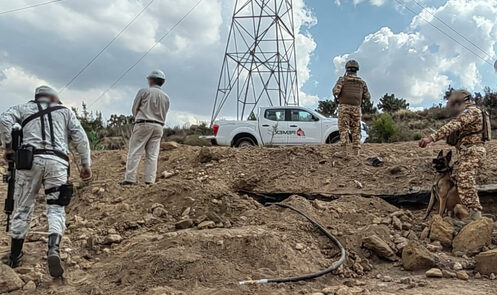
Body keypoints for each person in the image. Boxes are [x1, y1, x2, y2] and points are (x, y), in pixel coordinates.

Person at [0, 86, 92, 277]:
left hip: (28, 161)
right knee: (56, 208)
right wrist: (85, 164)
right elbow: (81, 137)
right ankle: (53, 249)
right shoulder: (65, 112)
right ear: (52, 97)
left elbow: (3, 119)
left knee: (23, 207)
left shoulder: (22, 108)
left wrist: (8, 147)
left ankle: (15, 255)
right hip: (58, 163)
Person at [419, 89, 487, 221]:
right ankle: (458, 212)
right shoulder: (473, 112)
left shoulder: (472, 111)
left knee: (465, 179)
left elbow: (453, 125)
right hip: (467, 152)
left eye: (457, 103)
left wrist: (431, 138)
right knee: (456, 176)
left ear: (464, 100)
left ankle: (475, 216)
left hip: (473, 151)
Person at [121, 70, 170, 185]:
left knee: (135, 151)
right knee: (152, 155)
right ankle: (149, 180)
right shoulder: (166, 97)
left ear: (151, 80)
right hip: (159, 126)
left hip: (143, 123)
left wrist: (138, 118)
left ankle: (130, 179)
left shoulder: (144, 91)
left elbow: (135, 108)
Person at [333, 60, 370, 157]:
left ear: (347, 69)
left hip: (344, 107)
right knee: (356, 129)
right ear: (357, 70)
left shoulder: (343, 80)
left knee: (344, 129)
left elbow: (335, 91)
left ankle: (344, 152)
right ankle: (356, 152)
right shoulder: (362, 82)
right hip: (356, 108)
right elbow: (367, 96)